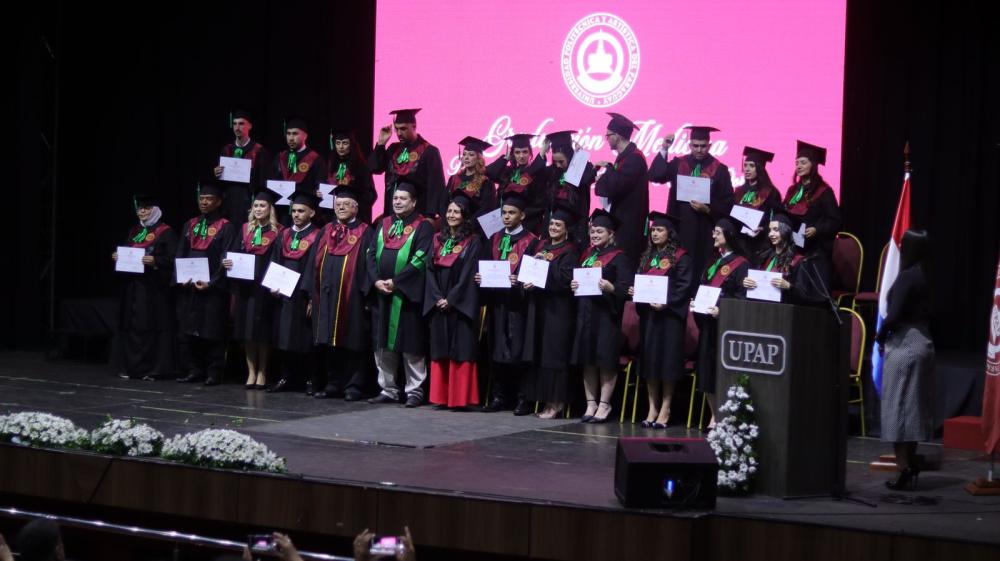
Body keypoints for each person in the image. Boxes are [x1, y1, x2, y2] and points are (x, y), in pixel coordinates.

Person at [365, 181, 435, 407]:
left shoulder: (423, 226)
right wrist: (376, 280)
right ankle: (388, 388)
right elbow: (370, 254)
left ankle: (415, 390)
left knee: (411, 345)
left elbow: (421, 258)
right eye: (395, 198)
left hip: (406, 296)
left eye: (403, 198)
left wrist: (396, 282)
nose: (397, 202)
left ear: (413, 202)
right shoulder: (383, 223)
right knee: (382, 344)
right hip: (382, 294)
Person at [876, 229, 934, 490]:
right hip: (923, 341)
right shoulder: (926, 275)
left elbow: (894, 314)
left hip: (905, 345)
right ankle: (910, 466)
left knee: (897, 409)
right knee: (912, 409)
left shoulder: (908, 277)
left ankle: (903, 469)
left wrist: (879, 337)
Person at [628, 212, 694, 428]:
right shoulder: (647, 256)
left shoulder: (681, 257)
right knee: (650, 363)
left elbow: (684, 287)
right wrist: (635, 291)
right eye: (653, 230)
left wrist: (667, 302)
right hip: (650, 318)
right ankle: (652, 408)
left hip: (670, 319)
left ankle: (665, 408)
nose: (655, 233)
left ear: (670, 233)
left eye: (660, 230)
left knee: (666, 364)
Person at [476, 193, 540, 415]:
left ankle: (523, 399)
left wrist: (520, 281)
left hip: (518, 307)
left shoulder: (532, 241)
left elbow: (534, 275)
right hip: (497, 305)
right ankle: (498, 397)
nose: (506, 216)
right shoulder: (493, 238)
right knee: (496, 351)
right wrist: (480, 279)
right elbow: (484, 266)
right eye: (504, 212)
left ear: (522, 215)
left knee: (518, 351)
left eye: (511, 213)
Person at [309, 185, 374, 401]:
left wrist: (366, 295)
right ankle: (333, 382)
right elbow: (312, 264)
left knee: (353, 341)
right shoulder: (326, 230)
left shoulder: (365, 231)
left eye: (347, 204)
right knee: (328, 340)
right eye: (338, 205)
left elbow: (369, 265)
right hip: (326, 295)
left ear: (356, 208)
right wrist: (311, 295)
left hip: (352, 297)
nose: (342, 208)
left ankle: (353, 385)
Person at [570, 209, 634, 423]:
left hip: (607, 316)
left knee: (605, 360)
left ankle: (605, 404)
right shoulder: (587, 255)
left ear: (611, 234)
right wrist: (574, 284)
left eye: (599, 231)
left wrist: (611, 287)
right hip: (585, 314)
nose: (594, 235)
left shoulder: (620, 257)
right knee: (587, 359)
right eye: (592, 232)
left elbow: (626, 290)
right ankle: (590, 404)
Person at [649, 125, 735, 278]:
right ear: (690, 145)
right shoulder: (679, 164)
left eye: (703, 146)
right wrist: (664, 148)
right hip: (680, 227)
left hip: (705, 230)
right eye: (695, 145)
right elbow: (656, 175)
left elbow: (728, 204)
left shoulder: (719, 169)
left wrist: (708, 210)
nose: (699, 150)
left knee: (700, 269)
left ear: (709, 145)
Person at [425, 191, 483, 409]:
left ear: (464, 215)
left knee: (461, 349)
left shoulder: (473, 241)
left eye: (456, 211)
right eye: (449, 211)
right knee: (440, 348)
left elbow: (469, 273)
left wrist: (452, 299)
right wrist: (437, 297)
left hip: (460, 305)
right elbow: (429, 270)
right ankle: (441, 397)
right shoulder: (437, 239)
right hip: (439, 302)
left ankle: (459, 398)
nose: (451, 215)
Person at [176, 183, 238, 386]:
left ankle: (214, 372)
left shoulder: (225, 226)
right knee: (191, 331)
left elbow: (226, 258)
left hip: (213, 289)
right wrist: (180, 277)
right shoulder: (190, 224)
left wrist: (212, 283)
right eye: (201, 198)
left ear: (218, 201)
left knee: (213, 332)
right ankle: (195, 370)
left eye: (209, 198)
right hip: (190, 287)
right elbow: (181, 253)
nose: (204, 202)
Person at [523, 203, 581, 418]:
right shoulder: (540, 246)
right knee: (540, 355)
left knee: (554, 357)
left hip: (559, 310)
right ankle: (545, 401)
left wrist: (545, 268)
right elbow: (526, 270)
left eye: (558, 224)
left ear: (567, 228)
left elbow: (566, 280)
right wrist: (526, 283)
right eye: (552, 223)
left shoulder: (571, 251)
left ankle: (556, 404)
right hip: (539, 308)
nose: (554, 227)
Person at [111, 194, 177, 380]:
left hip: (154, 289)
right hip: (133, 287)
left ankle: (153, 369)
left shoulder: (166, 232)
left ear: (155, 210)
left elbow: (173, 259)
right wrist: (118, 257)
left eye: (147, 209)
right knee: (133, 325)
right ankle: (133, 368)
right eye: (140, 209)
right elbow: (127, 251)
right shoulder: (135, 231)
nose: (143, 212)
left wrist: (156, 261)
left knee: (150, 326)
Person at [692, 218, 750, 426]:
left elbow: (743, 297)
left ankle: (724, 415)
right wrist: (696, 303)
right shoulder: (712, 260)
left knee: (721, 370)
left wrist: (722, 309)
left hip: (726, 326)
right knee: (707, 371)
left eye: (717, 232)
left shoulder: (741, 265)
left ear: (729, 235)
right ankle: (714, 415)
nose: (713, 236)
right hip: (708, 324)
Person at [223, 190, 282, 389]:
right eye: (255, 206)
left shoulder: (279, 232)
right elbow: (235, 253)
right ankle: (250, 371)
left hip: (264, 287)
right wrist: (228, 262)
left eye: (262, 206)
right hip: (245, 287)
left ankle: (263, 372)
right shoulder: (245, 229)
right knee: (247, 331)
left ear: (270, 209)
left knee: (262, 332)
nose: (258, 209)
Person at [267, 190, 323, 394]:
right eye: (294, 211)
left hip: (302, 294)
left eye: (301, 211)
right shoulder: (284, 235)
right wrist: (271, 284)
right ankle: (286, 377)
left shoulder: (317, 235)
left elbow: (315, 267)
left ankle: (310, 380)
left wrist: (310, 297)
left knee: (305, 339)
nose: (296, 214)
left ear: (312, 213)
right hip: (283, 294)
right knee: (283, 337)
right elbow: (275, 260)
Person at [781, 140, 842, 290]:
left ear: (813, 164)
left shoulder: (824, 191)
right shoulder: (792, 190)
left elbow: (835, 221)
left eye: (803, 162)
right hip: (792, 245)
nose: (799, 166)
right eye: (796, 163)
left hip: (814, 248)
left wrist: (817, 229)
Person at [369, 108, 446, 217]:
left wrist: (430, 216)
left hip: (418, 213)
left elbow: (436, 187)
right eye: (396, 129)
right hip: (392, 212)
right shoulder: (393, 149)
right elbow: (374, 168)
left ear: (414, 126)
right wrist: (381, 144)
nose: (399, 133)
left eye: (403, 129)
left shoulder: (429, 151)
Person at [594, 112, 649, 263]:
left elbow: (616, 186)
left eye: (608, 135)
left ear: (617, 136)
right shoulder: (625, 157)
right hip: (621, 219)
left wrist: (607, 173)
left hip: (629, 223)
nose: (607, 139)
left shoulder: (634, 159)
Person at [742, 212, 821, 305]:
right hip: (760, 309)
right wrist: (747, 283)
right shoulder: (764, 257)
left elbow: (804, 296)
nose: (770, 234)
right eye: (770, 230)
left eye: (776, 230)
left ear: (786, 231)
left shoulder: (798, 261)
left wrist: (788, 286)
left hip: (783, 313)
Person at [213, 108, 271, 224]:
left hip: (248, 201)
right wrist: (216, 174)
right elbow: (220, 183)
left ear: (250, 126)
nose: (237, 127)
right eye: (234, 124)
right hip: (229, 202)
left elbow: (263, 181)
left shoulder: (258, 151)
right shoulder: (227, 150)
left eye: (241, 124)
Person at [540, 130, 594, 243]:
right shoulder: (552, 172)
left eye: (561, 161)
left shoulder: (579, 171)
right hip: (553, 226)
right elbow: (535, 174)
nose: (558, 165)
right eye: (555, 162)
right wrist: (542, 153)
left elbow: (588, 178)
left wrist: (580, 159)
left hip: (575, 228)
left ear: (570, 157)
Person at [486, 133, 547, 233]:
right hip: (502, 223)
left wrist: (518, 216)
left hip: (525, 224)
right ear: (513, 154)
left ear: (530, 153)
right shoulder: (507, 172)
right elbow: (489, 173)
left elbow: (539, 203)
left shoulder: (536, 174)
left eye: (525, 152)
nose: (521, 156)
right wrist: (505, 158)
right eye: (517, 152)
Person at [271, 116, 328, 214]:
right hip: (281, 211)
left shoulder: (315, 159)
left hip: (303, 209)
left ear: (305, 136)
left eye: (295, 134)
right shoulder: (280, 157)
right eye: (288, 134)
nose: (291, 138)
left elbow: (319, 188)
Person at [733, 146, 782, 258]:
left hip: (760, 244)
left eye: (752, 166)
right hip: (739, 241)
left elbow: (776, 218)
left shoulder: (771, 193)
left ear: (760, 168)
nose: (747, 169)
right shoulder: (739, 191)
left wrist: (763, 229)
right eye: (745, 165)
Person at [327, 129, 377, 223]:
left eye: (345, 143)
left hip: (355, 216)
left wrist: (353, 194)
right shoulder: (332, 165)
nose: (341, 147)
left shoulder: (360, 166)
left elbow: (371, 194)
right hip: (335, 214)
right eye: (338, 143)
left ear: (351, 145)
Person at [445, 136, 497, 218]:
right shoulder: (454, 179)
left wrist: (469, 224)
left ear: (478, 158)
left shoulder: (485, 182)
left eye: (471, 154)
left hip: (473, 226)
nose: (466, 157)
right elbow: (445, 202)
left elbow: (486, 208)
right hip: (452, 222)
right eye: (464, 154)